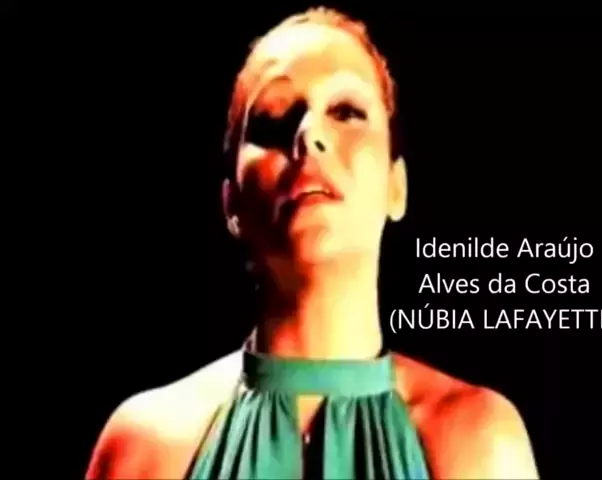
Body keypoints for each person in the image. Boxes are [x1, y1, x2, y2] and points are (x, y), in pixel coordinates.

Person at [86, 7, 539, 479]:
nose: (308, 135)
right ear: (231, 203)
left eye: (346, 112)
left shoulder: (479, 441)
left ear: (396, 186)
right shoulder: (146, 447)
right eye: (272, 119)